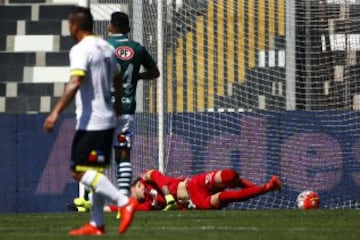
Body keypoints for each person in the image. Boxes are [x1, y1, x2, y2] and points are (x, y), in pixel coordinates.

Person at [43, 6, 137, 235]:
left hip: (92, 121)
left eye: (69, 23)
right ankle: (97, 222)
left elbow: (75, 82)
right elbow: (117, 77)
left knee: (78, 171)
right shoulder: (105, 47)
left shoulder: (80, 49)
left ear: (74, 26)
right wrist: (116, 105)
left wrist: (55, 112)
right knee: (96, 171)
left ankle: (124, 202)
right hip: (107, 117)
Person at [108, 11, 160, 196]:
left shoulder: (104, 47)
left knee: (96, 155)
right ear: (128, 28)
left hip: (105, 111)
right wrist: (138, 76)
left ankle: (88, 200)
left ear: (110, 26)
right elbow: (155, 72)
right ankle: (124, 197)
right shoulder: (137, 48)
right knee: (123, 154)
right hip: (127, 111)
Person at [106, 168, 282, 211]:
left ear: (137, 185)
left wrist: (168, 197)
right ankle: (268, 187)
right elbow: (127, 208)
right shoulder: (148, 205)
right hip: (195, 202)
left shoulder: (147, 177)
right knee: (228, 197)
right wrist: (102, 208)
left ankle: (256, 185)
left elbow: (159, 177)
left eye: (132, 191)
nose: (132, 196)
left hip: (193, 185)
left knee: (229, 175)